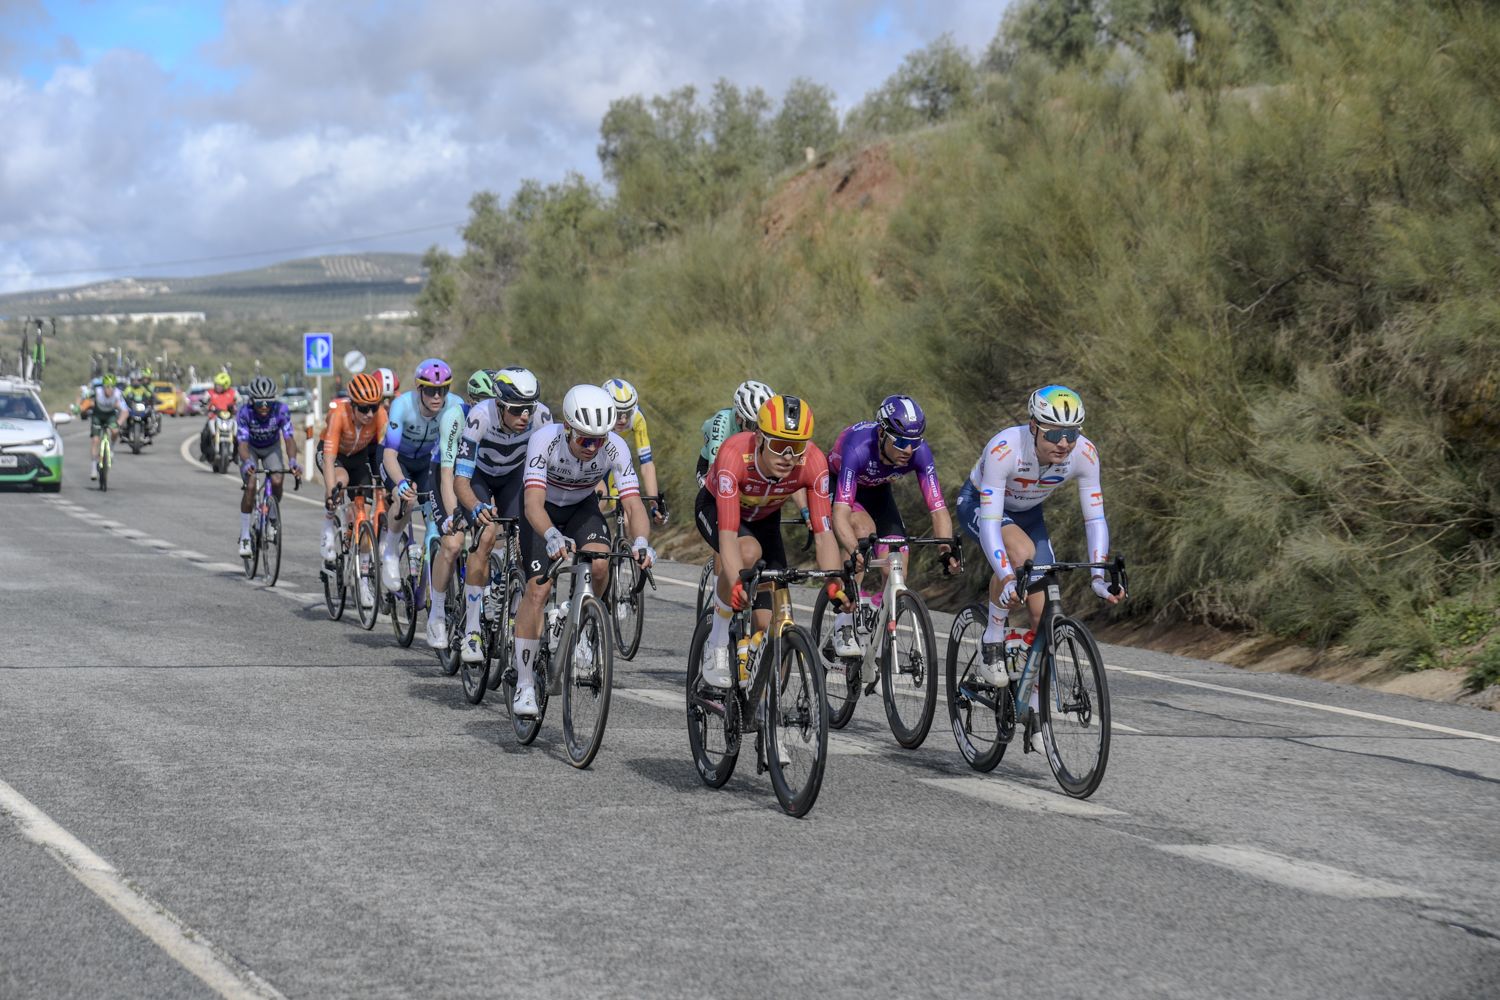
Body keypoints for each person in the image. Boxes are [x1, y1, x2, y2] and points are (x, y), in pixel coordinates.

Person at [955, 384, 1124, 704]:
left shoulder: (1085, 454)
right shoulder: (1004, 448)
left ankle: (1032, 701)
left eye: (1071, 434)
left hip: (1029, 513)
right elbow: (991, 524)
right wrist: (1006, 576)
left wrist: (1099, 577)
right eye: (1054, 434)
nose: (1063, 443)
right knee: (1020, 554)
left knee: (1043, 613)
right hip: (981, 505)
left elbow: (1094, 519)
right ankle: (992, 640)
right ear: (1033, 427)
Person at [492, 384, 653, 718]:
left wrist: (640, 542)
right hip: (542, 510)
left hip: (582, 507)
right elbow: (533, 503)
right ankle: (523, 681)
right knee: (539, 588)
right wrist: (550, 534)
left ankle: (580, 623)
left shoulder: (615, 447)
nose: (594, 448)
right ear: (568, 428)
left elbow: (634, 506)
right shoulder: (544, 439)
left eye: (600, 439)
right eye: (585, 440)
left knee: (599, 564)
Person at [694, 394, 845, 688]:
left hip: (765, 519)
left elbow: (824, 532)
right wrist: (737, 582)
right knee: (747, 552)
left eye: (797, 447)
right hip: (718, 508)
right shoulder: (734, 454)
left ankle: (755, 697)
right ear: (760, 438)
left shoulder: (812, 462)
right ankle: (718, 639)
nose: (788, 456)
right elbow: (727, 534)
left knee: (765, 623)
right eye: (779, 445)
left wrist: (833, 583)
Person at [826, 395, 959, 655]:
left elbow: (938, 507)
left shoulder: (919, 452)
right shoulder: (858, 446)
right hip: (840, 484)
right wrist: (854, 551)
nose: (908, 450)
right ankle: (843, 623)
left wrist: (946, 549)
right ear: (882, 433)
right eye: (900, 441)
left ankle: (877, 620)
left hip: (877, 492)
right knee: (862, 533)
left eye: (914, 441)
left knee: (898, 559)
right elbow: (840, 513)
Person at [452, 367, 552, 657]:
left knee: (526, 545)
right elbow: (461, 480)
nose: (525, 416)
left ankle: (504, 591)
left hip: (514, 478)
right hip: (480, 477)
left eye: (529, 409)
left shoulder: (541, 417)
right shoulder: (480, 416)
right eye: (517, 409)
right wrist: (475, 506)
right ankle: (471, 629)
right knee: (485, 536)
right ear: (499, 404)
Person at [378, 359, 464, 592]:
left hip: (428, 461)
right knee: (405, 498)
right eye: (430, 390)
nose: (437, 396)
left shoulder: (456, 405)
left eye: (442, 390)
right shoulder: (402, 406)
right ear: (419, 389)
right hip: (397, 459)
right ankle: (390, 553)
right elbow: (389, 455)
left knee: (437, 510)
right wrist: (401, 482)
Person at [319, 373, 388, 606]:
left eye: (374, 407)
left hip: (358, 456)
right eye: (364, 408)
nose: (370, 414)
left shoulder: (379, 415)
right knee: (342, 480)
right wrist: (331, 493)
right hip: (335, 456)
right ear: (353, 404)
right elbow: (328, 459)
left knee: (364, 511)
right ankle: (329, 524)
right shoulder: (339, 413)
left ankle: (364, 580)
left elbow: (384, 452)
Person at [236, 376, 301, 557]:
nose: (264, 407)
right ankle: (245, 535)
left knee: (278, 478)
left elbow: (288, 438)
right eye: (259, 403)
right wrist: (248, 462)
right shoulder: (244, 412)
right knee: (250, 484)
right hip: (250, 447)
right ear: (252, 401)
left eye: (268, 403)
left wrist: (293, 461)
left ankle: (272, 517)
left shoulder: (281, 410)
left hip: (272, 447)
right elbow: (241, 443)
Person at [599, 377, 667, 524]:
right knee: (598, 502)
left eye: (628, 412)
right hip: (593, 463)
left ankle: (627, 545)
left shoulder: (637, 418)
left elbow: (647, 464)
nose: (623, 420)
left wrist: (654, 502)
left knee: (629, 517)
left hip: (614, 463)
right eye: (618, 414)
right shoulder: (597, 417)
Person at [697, 379, 774, 486]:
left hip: (747, 463)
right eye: (753, 425)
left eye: (764, 427)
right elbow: (714, 469)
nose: (758, 432)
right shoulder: (721, 422)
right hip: (712, 466)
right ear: (738, 417)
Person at [88, 374, 128, 480]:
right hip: (97, 416)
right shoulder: (97, 392)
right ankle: (93, 467)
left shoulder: (118, 395)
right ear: (103, 387)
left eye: (112, 387)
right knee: (95, 440)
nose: (109, 390)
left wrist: (119, 423)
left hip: (110, 416)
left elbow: (125, 411)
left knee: (115, 431)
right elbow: (82, 396)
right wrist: (78, 407)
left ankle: (112, 450)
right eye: (107, 386)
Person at [200, 373, 240, 461]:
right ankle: (204, 453)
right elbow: (204, 401)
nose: (217, 387)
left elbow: (240, 402)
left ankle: (236, 454)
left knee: (237, 435)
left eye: (220, 385)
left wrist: (237, 408)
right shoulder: (210, 392)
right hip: (214, 418)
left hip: (229, 418)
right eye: (216, 384)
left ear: (226, 385)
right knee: (205, 434)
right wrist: (204, 405)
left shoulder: (233, 393)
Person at [122, 373, 155, 444]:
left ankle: (149, 429)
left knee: (149, 412)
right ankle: (124, 430)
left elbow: (149, 395)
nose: (136, 382)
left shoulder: (143, 389)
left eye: (138, 380)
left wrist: (151, 399)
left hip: (141, 407)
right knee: (124, 414)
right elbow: (123, 396)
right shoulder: (128, 388)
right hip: (132, 407)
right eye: (134, 380)